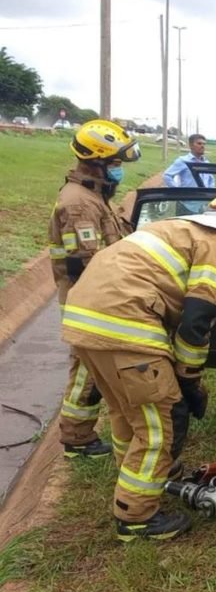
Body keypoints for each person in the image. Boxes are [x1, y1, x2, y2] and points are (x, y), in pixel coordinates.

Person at [62, 193, 216, 542]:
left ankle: (136, 484)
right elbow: (196, 323)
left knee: (129, 415)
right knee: (162, 425)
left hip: (84, 321)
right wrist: (189, 381)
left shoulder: (176, 229)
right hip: (126, 325)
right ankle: (137, 515)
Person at [48, 119, 141, 459]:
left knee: (87, 368)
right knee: (86, 370)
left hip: (89, 297)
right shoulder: (79, 204)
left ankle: (79, 434)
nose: (119, 170)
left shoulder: (93, 196)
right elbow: (86, 262)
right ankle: (77, 439)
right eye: (115, 163)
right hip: (85, 299)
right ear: (97, 161)